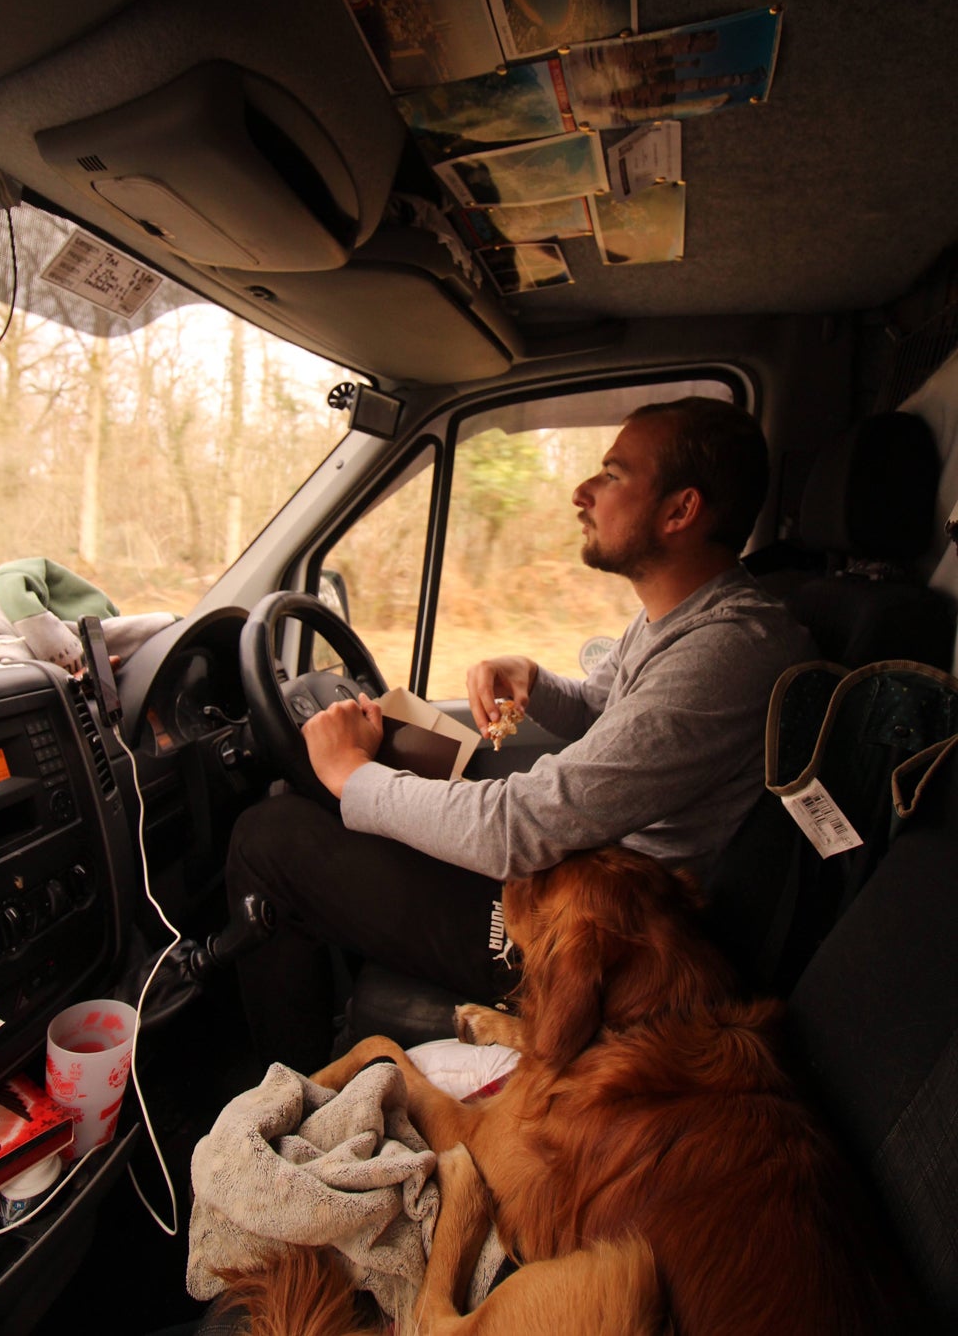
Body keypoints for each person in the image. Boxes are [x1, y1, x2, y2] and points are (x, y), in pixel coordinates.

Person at [226, 397, 815, 1072]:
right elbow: (611, 716)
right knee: (333, 811)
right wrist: (534, 679)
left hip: (600, 944)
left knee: (268, 839)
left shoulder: (728, 650)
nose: (581, 492)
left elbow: (520, 826)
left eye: (613, 475)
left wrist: (351, 775)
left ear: (680, 511)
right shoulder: (681, 617)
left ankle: (280, 1099)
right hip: (581, 878)